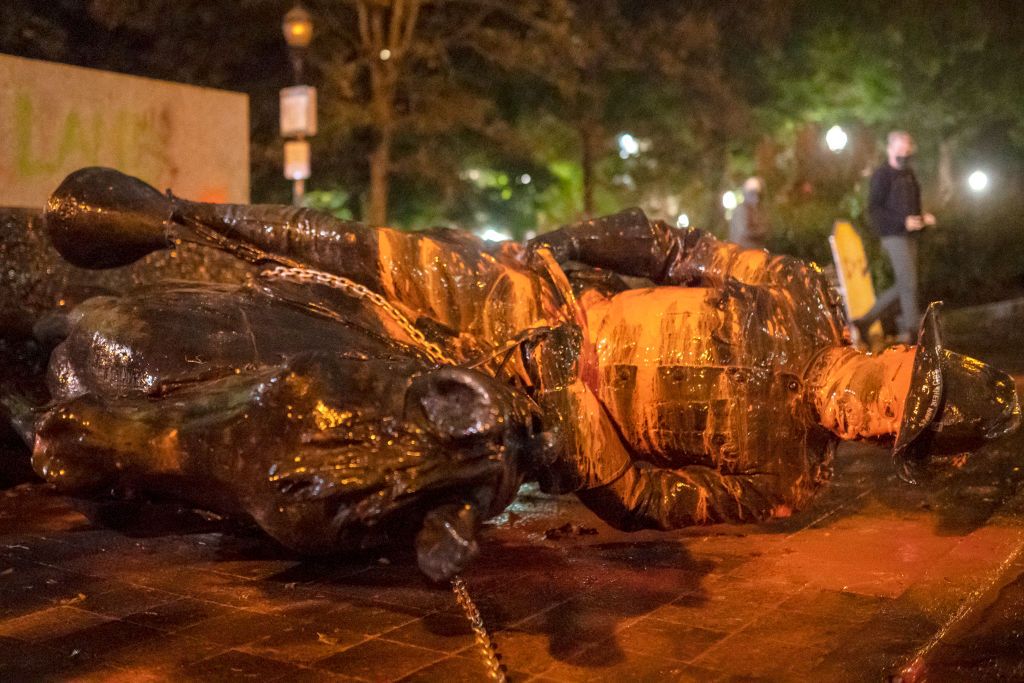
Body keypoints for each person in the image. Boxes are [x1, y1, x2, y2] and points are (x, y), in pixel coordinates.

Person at [29, 169, 1019, 574]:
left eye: (892, 424)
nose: (872, 408)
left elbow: (654, 498)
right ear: (897, 352)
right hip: (542, 309)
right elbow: (678, 252)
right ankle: (175, 217)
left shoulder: (784, 481)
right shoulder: (798, 290)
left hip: (552, 411)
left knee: (384, 451)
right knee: (365, 247)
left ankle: (169, 452)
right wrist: (580, 239)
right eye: (894, 386)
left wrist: (590, 451)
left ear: (888, 443)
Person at [856, 131, 936, 343]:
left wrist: (921, 218)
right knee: (908, 284)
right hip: (892, 235)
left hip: (910, 234)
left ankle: (865, 320)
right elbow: (874, 209)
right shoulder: (882, 175)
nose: (904, 154)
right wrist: (902, 222)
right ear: (890, 149)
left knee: (905, 284)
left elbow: (914, 203)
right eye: (900, 149)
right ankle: (913, 333)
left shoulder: (909, 174)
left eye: (908, 150)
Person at [728, 177, 770, 250]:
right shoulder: (740, 210)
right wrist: (761, 232)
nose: (757, 197)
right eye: (752, 193)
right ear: (746, 193)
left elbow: (767, 227)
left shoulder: (757, 209)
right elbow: (745, 232)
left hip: (755, 252)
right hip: (743, 253)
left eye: (758, 194)